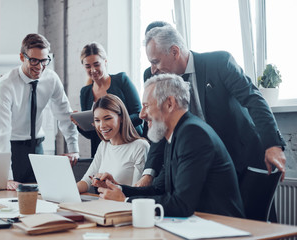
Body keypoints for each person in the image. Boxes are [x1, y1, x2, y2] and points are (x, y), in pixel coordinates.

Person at [136, 24, 286, 188]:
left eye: (155, 62)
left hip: (241, 157)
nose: (152, 70)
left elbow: (253, 99)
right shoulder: (155, 77)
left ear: (174, 52)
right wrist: (149, 173)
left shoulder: (219, 63)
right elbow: (159, 124)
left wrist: (272, 144)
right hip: (197, 164)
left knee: (249, 213)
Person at [96, 74, 245, 218]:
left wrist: (125, 201)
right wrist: (119, 189)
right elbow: (159, 189)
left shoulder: (193, 134)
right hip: (197, 223)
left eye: (146, 106)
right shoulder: (175, 133)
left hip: (220, 227)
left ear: (169, 104)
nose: (141, 114)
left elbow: (181, 204)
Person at [0, 33, 79, 190]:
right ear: (21, 57)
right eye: (33, 60)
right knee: (11, 198)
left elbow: (65, 115)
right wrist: (6, 176)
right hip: (13, 150)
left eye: (44, 61)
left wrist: (73, 149)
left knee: (41, 196)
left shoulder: (51, 79)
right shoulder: (5, 85)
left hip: (38, 148)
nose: (39, 66)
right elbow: (1, 133)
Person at [73, 42, 143, 157]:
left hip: (128, 145)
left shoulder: (121, 80)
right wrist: (80, 126)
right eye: (88, 66)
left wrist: (114, 125)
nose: (93, 70)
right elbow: (93, 134)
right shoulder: (85, 92)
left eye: (96, 64)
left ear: (105, 62)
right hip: (103, 152)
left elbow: (139, 115)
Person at [77, 94, 149, 193]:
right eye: (97, 120)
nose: (101, 126)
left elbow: (137, 192)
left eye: (107, 118)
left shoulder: (140, 146)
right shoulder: (104, 145)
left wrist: (112, 185)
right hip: (103, 205)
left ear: (122, 118)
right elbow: (86, 181)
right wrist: (66, 191)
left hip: (124, 207)